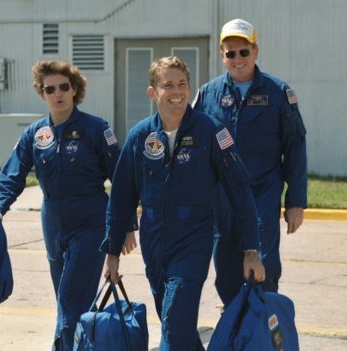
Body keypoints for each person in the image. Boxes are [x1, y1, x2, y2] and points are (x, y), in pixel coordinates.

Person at [103, 56, 265, 350]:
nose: (176, 92)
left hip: (193, 238)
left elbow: (240, 191)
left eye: (182, 84)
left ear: (189, 88)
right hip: (154, 241)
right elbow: (122, 195)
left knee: (175, 326)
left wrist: (252, 249)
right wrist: (112, 251)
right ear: (152, 92)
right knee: (177, 326)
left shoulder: (211, 132)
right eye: (168, 85)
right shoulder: (141, 136)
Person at [0, 59, 137, 350]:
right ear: (41, 93)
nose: (57, 93)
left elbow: (122, 180)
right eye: (50, 89)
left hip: (90, 222)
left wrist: (127, 226)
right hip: (52, 224)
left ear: (74, 90)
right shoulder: (34, 134)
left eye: (64, 87)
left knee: (71, 302)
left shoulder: (97, 129)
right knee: (68, 300)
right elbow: (11, 177)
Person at [193, 18, 307, 306]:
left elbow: (294, 146)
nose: (237, 59)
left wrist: (296, 201)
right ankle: (235, 329)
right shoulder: (208, 95)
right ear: (222, 55)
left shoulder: (278, 93)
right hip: (222, 200)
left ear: (256, 52)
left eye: (244, 52)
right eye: (230, 53)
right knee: (226, 273)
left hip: (262, 195)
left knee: (263, 270)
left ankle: (262, 334)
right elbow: (194, 146)